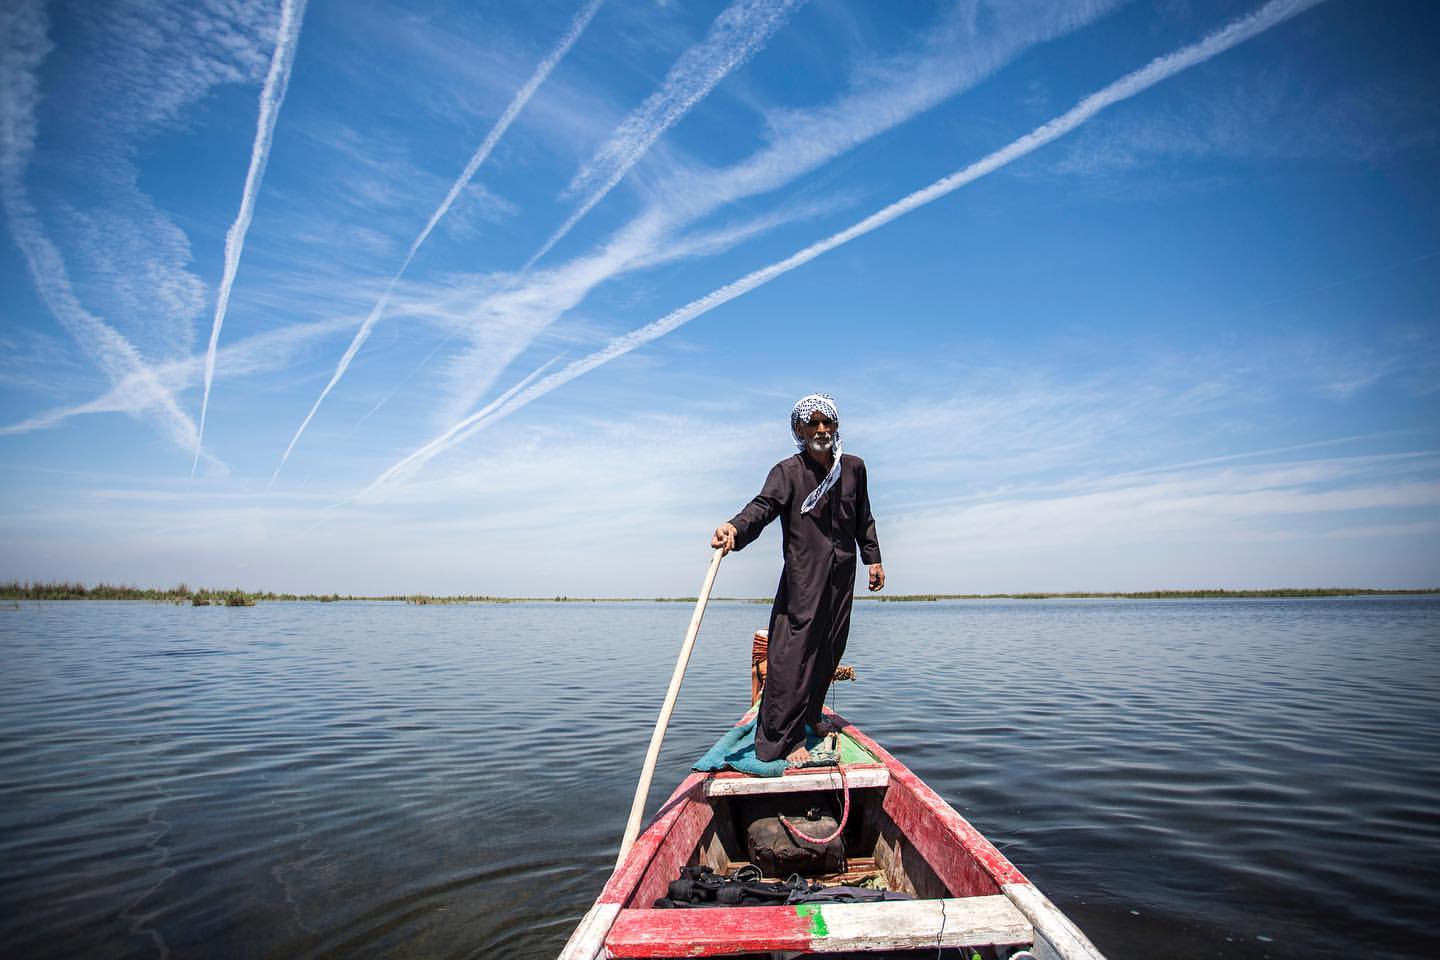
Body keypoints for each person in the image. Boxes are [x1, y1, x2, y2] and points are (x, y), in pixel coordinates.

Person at [711, 393, 884, 764]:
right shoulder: (788, 472)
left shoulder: (853, 468)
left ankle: (810, 715)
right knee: (793, 655)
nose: (821, 429)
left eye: (828, 422)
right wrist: (734, 529)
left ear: (836, 426)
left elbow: (864, 517)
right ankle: (782, 739)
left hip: (842, 573)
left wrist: (873, 558)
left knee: (830, 646)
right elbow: (762, 507)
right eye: (813, 423)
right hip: (804, 575)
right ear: (799, 429)